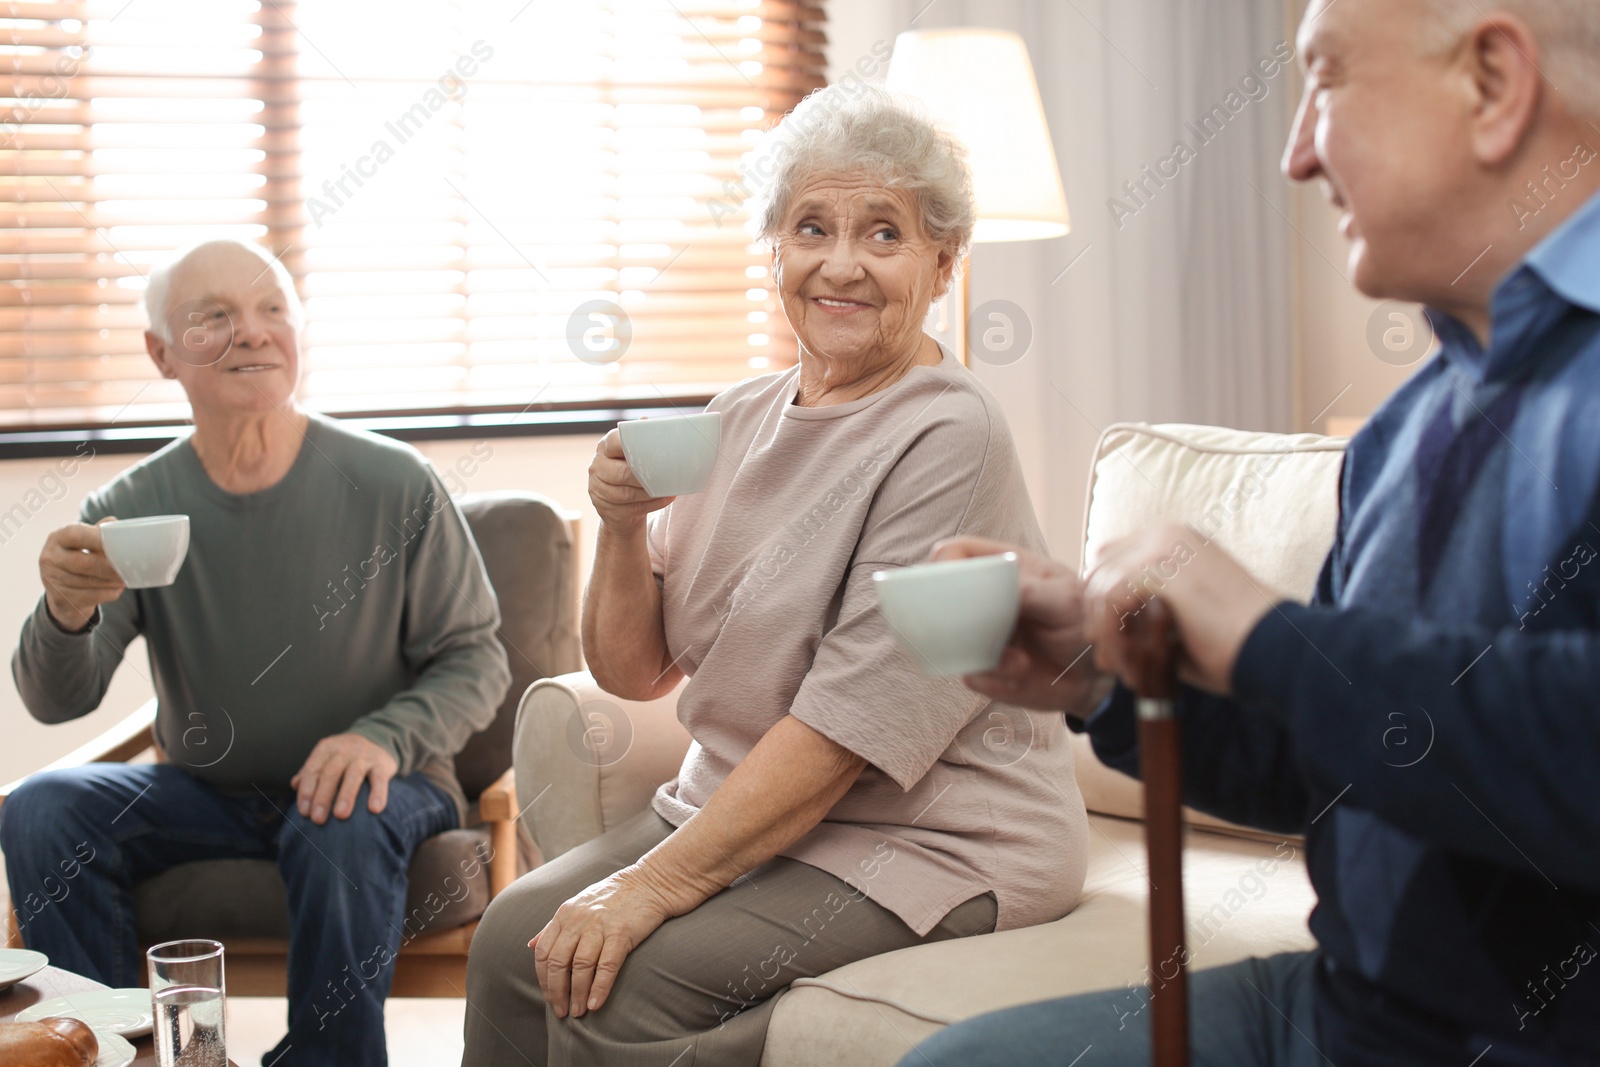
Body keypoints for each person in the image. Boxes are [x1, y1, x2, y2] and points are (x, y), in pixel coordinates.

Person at [900, 0, 1600, 1065]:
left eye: (1325, 80)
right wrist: (1103, 676)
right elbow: (1331, 761)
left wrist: (1264, 631)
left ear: (1491, 84)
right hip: (1350, 1009)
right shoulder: (1406, 430)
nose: (1295, 154)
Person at [462, 83, 1090, 1066]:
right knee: (510, 938)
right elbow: (635, 671)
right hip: (740, 810)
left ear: (942, 265)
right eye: (811, 227)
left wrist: (648, 887)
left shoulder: (949, 431)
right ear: (774, 255)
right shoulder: (737, 416)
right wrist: (620, 526)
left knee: (624, 979)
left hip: (927, 837)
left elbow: (849, 730)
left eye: (884, 234)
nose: (841, 263)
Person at [1, 239, 512, 1067]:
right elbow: (62, 698)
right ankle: (105, 1049)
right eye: (215, 317)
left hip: (381, 788)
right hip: (208, 791)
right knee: (41, 804)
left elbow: (476, 659)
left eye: (273, 309)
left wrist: (382, 735)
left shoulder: (394, 481)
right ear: (160, 353)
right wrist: (63, 611)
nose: (254, 333)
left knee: (340, 810)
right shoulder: (131, 508)